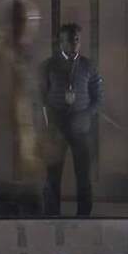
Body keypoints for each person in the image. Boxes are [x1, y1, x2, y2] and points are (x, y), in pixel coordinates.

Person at [0, 2, 44, 218]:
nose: (32, 29)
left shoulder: (15, 53)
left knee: (21, 212)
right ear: (18, 23)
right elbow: (6, 106)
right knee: (10, 214)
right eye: (29, 22)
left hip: (17, 155)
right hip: (8, 154)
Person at [42, 22, 102, 219]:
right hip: (56, 129)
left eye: (77, 39)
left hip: (81, 129)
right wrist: (48, 119)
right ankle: (52, 216)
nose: (74, 43)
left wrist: (86, 115)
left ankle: (84, 217)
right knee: (53, 176)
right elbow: (40, 97)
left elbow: (98, 98)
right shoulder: (49, 65)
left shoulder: (88, 66)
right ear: (61, 42)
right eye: (70, 40)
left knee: (83, 176)